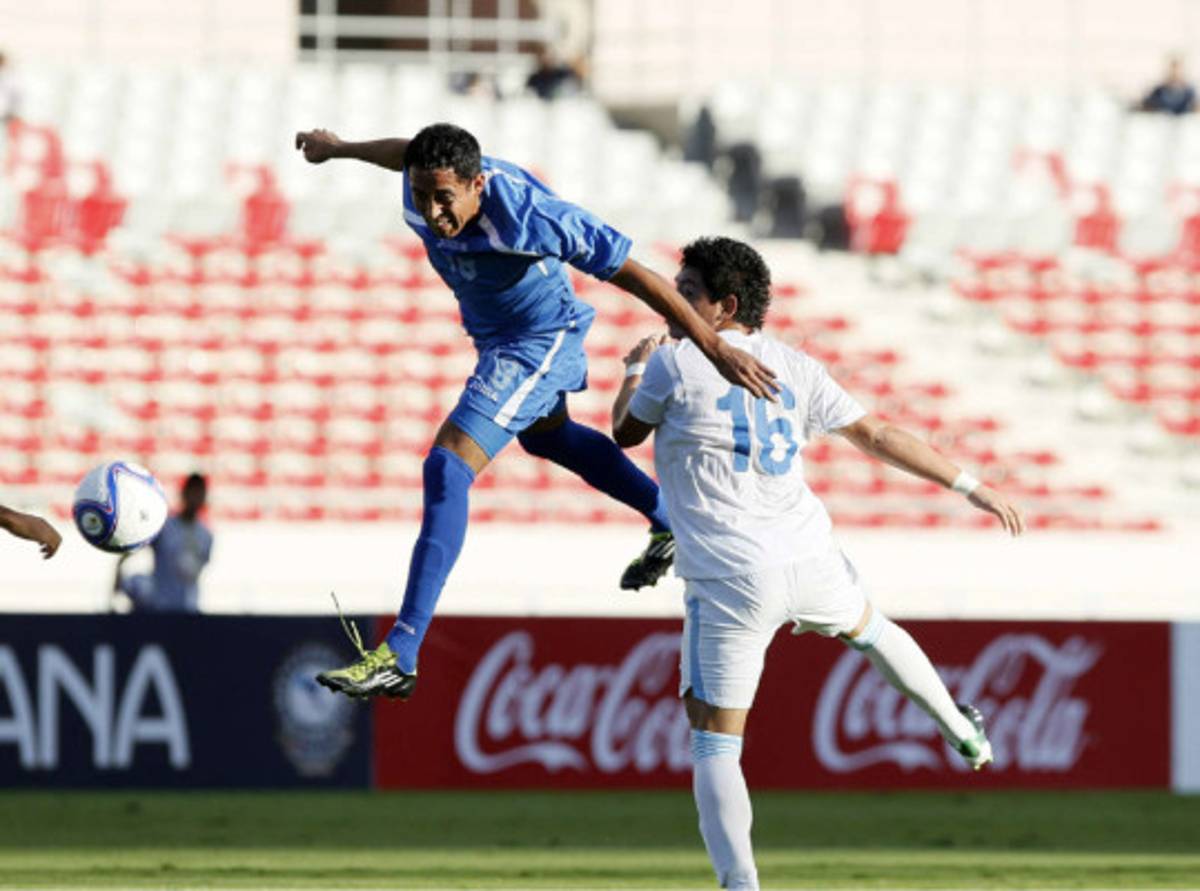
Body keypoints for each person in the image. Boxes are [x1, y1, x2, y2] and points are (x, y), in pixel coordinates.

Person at [294, 123, 777, 701]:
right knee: (550, 438)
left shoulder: (532, 216)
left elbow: (638, 274)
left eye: (444, 198)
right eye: (422, 195)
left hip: (536, 340)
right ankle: (666, 515)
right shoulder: (420, 178)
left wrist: (714, 345)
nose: (432, 211)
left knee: (447, 466)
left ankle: (400, 651)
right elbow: (402, 153)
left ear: (477, 185)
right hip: (495, 336)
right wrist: (340, 149)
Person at [611, 237, 1025, 891]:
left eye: (686, 292)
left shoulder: (676, 361)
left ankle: (740, 882)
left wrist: (636, 370)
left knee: (715, 742)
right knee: (872, 629)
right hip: (807, 553)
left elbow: (624, 435)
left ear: (726, 306)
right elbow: (879, 436)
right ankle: (963, 731)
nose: (673, 303)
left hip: (729, 577)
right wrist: (972, 485)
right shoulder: (798, 367)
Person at [114, 473, 213, 612]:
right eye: (192, 491)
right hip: (159, 608)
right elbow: (131, 549)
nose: (195, 497)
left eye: (199, 492)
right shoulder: (164, 527)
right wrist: (118, 572)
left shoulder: (206, 536)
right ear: (184, 493)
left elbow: (194, 571)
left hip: (188, 609)